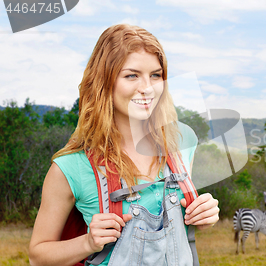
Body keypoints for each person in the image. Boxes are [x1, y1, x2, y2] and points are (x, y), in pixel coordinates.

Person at [29, 24, 219, 266]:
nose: (147, 88)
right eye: (132, 75)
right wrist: (87, 242)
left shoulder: (183, 140)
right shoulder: (70, 167)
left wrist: (204, 216)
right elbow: (37, 256)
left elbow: (178, 230)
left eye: (156, 75)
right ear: (105, 82)